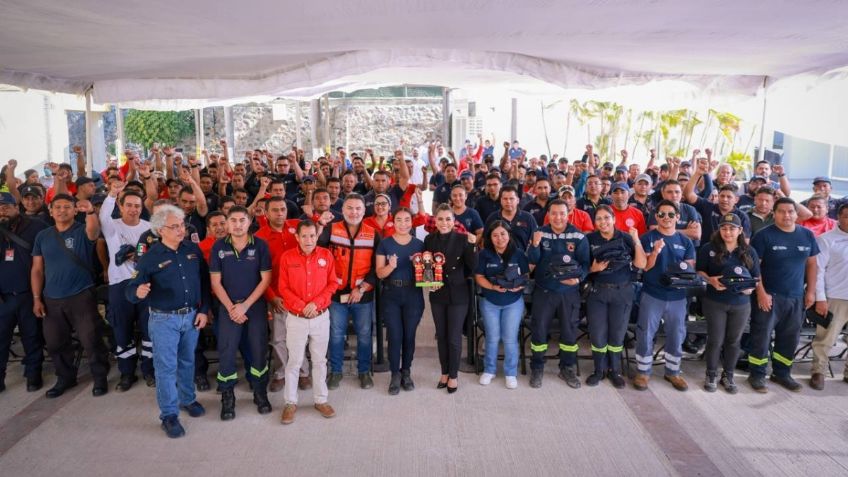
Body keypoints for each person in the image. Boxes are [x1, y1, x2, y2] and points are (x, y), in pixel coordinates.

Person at [126, 205, 210, 438]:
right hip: (164, 320)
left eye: (182, 225)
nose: (180, 230)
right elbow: (131, 288)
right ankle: (169, 415)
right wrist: (137, 292)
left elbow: (204, 282)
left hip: (192, 316)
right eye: (175, 227)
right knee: (166, 368)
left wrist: (203, 310)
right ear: (160, 230)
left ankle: (188, 399)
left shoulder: (192, 250)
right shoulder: (149, 257)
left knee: (187, 362)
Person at [31, 193, 111, 398]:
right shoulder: (43, 236)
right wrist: (37, 298)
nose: (62, 210)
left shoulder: (82, 231)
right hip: (51, 298)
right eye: (57, 207)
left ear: (75, 210)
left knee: (90, 339)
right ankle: (65, 378)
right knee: (55, 342)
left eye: (67, 207)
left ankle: (100, 377)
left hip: (81, 295)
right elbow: (37, 269)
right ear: (50, 211)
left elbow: (93, 231)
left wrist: (91, 211)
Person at [748, 198, 819, 393]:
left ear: (796, 214)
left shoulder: (807, 235)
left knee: (789, 338)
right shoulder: (763, 236)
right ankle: (757, 374)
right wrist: (761, 293)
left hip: (796, 297)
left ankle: (782, 373)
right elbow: (754, 268)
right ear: (774, 213)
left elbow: (812, 264)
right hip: (769, 297)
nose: (786, 215)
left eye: (790, 211)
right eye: (782, 211)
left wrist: (811, 291)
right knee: (761, 337)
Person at [209, 206, 272, 420]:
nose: (237, 225)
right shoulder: (218, 247)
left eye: (241, 220)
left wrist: (245, 306)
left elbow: (266, 280)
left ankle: (260, 392)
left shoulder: (260, 246)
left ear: (249, 222)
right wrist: (231, 308)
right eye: (233, 220)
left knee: (258, 349)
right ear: (226, 223)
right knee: (226, 352)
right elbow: (216, 283)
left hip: (254, 307)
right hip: (228, 307)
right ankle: (228, 396)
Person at [278, 220, 338, 425]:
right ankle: (290, 403)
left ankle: (321, 400)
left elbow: (332, 284)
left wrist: (316, 303)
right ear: (297, 237)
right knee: (294, 361)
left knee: (320, 360)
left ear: (317, 236)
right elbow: (283, 288)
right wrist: (302, 305)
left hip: (320, 317)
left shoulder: (326, 255)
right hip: (296, 318)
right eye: (304, 236)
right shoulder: (287, 257)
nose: (309, 240)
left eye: (312, 236)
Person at [633, 200, 696, 392]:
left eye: (670, 214)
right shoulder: (647, 238)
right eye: (661, 214)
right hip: (652, 294)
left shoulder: (685, 241)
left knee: (677, 334)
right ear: (656, 217)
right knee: (645, 333)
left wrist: (677, 275)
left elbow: (690, 268)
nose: (666, 218)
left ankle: (673, 372)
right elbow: (644, 267)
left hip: (677, 297)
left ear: (678, 217)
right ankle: (643, 372)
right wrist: (655, 252)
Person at [527, 199, 590, 389]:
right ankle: (537, 367)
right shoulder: (540, 233)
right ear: (548, 214)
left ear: (568, 214)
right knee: (538, 331)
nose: (558, 217)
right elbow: (532, 261)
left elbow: (586, 264)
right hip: (544, 291)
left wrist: (578, 280)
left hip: (569, 293)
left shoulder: (578, 236)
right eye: (554, 213)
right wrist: (535, 244)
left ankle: (567, 368)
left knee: (570, 332)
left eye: (562, 213)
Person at [319, 193, 380, 390]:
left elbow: (377, 269)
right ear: (342, 210)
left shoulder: (373, 234)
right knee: (336, 334)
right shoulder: (331, 229)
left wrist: (361, 288)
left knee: (364, 334)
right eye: (350, 208)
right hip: (336, 294)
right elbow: (317, 253)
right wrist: (319, 224)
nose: (354, 212)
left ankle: (364, 372)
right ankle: (335, 371)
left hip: (362, 295)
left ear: (364, 211)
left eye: (358, 208)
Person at [99, 179, 154, 391]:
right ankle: (127, 373)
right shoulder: (113, 227)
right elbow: (103, 215)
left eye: (137, 206)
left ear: (142, 208)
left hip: (146, 285)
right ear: (120, 207)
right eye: (128, 205)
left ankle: (150, 370)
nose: (133, 209)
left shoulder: (150, 228)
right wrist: (112, 194)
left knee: (150, 331)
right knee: (121, 331)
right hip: (120, 285)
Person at [696, 214, 760, 393]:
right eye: (724, 228)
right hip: (715, 301)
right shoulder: (709, 248)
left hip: (740, 303)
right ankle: (711, 374)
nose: (727, 232)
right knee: (715, 339)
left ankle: (729, 374)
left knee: (733, 340)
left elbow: (756, 277)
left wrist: (751, 289)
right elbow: (699, 271)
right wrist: (710, 280)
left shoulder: (749, 251)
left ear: (740, 230)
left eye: (732, 228)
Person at [585, 205, 646, 388]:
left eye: (606, 218)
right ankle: (599, 370)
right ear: (594, 222)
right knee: (597, 334)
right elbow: (581, 268)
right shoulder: (589, 239)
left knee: (617, 334)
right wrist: (593, 269)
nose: (603, 222)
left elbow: (641, 264)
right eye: (599, 219)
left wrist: (636, 240)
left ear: (613, 219)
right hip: (598, 292)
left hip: (622, 292)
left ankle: (615, 370)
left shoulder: (626, 238)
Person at [256, 196, 311, 393]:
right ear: (267, 213)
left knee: (300, 337)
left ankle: (303, 373)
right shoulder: (260, 237)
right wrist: (271, 296)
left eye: (282, 209)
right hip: (276, 297)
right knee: (279, 339)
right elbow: (260, 271)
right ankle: (281, 374)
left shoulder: (297, 227)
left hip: (301, 295)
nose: (280, 213)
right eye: (275, 210)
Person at [424, 204, 477, 393]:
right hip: (438, 293)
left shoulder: (464, 239)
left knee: (454, 337)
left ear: (454, 222)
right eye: (440, 219)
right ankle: (444, 372)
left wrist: (473, 246)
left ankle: (453, 375)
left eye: (448, 219)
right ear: (435, 221)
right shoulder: (429, 239)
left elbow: (473, 267)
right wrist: (429, 282)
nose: (444, 223)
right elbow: (426, 265)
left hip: (458, 294)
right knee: (442, 336)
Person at [0, 192, 48, 392]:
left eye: (6, 206)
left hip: (29, 294)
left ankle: (33, 374)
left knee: (32, 336)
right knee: (1, 339)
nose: (2, 210)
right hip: (3, 297)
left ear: (16, 207)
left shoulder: (36, 227)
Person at [375, 208, 426, 395]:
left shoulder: (419, 245)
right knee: (395, 336)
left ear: (411, 223)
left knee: (409, 336)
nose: (403, 224)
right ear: (392, 222)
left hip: (413, 294)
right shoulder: (385, 244)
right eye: (399, 220)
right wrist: (391, 266)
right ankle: (394, 374)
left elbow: (426, 274)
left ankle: (406, 372)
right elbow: (379, 273)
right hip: (391, 295)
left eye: (406, 220)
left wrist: (417, 266)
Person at [474, 221, 529, 389]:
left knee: (510, 338)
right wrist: (492, 287)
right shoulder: (484, 255)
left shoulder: (518, 254)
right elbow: (479, 276)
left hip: (513, 302)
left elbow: (526, 275)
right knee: (492, 337)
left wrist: (519, 285)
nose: (499, 238)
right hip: (490, 301)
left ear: (509, 235)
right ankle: (489, 370)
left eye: (503, 234)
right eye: (495, 235)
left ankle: (510, 373)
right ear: (490, 237)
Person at [810, 204, 848, 390]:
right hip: (834, 297)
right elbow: (818, 271)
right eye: (847, 216)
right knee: (826, 338)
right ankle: (819, 371)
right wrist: (820, 298)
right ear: (838, 218)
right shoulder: (826, 240)